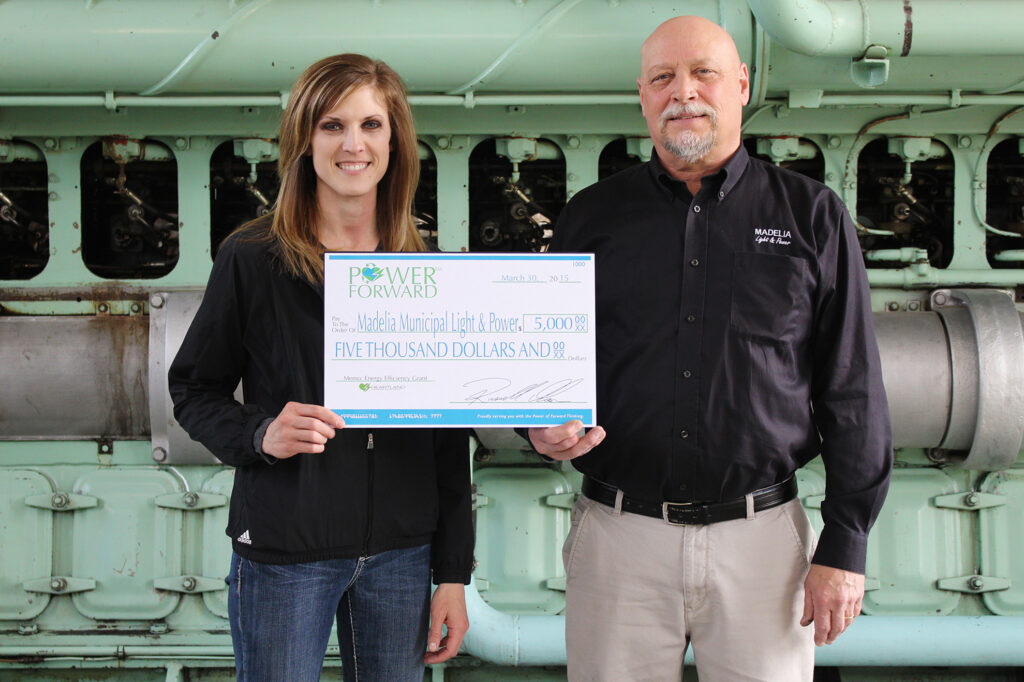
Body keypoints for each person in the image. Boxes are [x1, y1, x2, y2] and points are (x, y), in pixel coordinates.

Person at [528, 16, 893, 681]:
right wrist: (537, 425)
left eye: (704, 73)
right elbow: (546, 365)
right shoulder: (591, 217)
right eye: (664, 78)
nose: (684, 93)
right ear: (642, 95)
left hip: (762, 542)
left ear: (742, 85)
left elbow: (853, 389)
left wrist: (846, 541)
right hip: (619, 539)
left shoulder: (811, 216)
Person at [168, 54, 473, 682]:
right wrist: (260, 433)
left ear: (395, 140)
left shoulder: (427, 270)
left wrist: (453, 573)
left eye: (371, 125)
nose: (353, 145)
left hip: (401, 555)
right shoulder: (252, 258)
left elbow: (447, 435)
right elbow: (194, 390)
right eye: (332, 125)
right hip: (285, 553)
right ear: (305, 140)